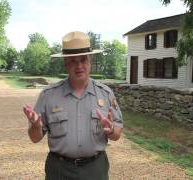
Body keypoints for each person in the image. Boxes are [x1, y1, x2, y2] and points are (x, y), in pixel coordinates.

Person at [23, 31, 123, 180]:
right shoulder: (48, 95)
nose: (79, 66)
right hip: (59, 170)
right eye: (73, 61)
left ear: (90, 61)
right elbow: (35, 138)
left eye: (83, 60)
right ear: (65, 64)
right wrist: (36, 126)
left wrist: (111, 130)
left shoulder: (105, 93)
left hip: (95, 169)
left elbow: (117, 134)